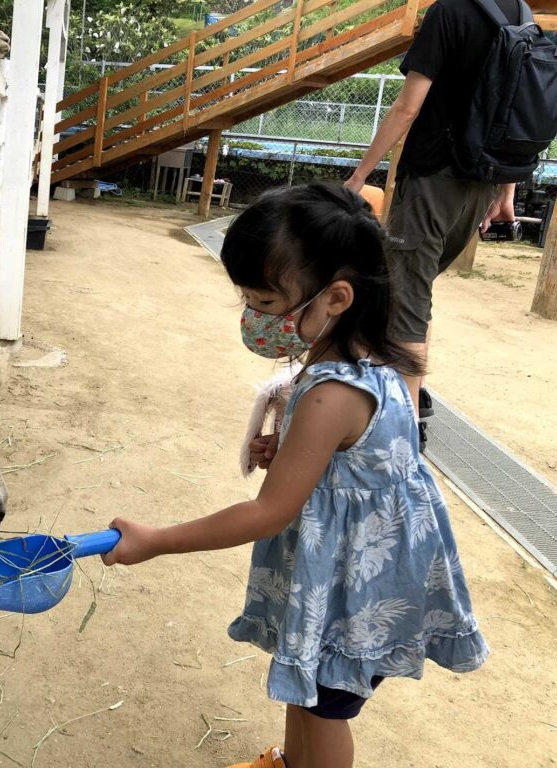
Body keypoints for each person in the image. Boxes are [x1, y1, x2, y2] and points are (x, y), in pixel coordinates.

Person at [102, 185, 489, 768]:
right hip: (338, 565)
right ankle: (291, 761)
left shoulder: (335, 390)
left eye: (265, 303)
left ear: (335, 298)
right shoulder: (358, 355)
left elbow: (269, 512)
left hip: (353, 587)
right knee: (304, 682)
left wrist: (155, 541)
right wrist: (289, 450)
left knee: (326, 707)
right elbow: (345, 458)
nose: (255, 318)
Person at [343, 0, 519, 447]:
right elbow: (514, 115)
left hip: (433, 179)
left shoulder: (450, 13)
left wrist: (361, 175)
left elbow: (406, 108)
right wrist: (506, 192)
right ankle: (405, 396)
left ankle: (404, 432)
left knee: (407, 301)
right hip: (481, 184)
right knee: (409, 294)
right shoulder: (521, 14)